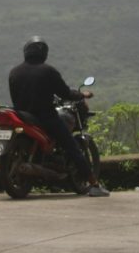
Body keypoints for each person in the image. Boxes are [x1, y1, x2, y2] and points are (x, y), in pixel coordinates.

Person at [8, 35, 110, 197]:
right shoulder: (48, 71)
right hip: (45, 117)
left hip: (23, 115)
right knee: (72, 147)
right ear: (44, 53)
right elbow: (65, 92)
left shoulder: (14, 72)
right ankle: (94, 184)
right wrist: (81, 94)